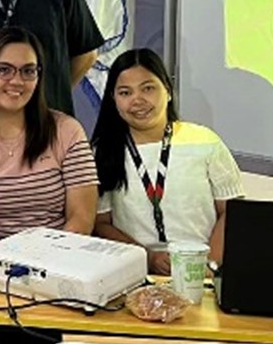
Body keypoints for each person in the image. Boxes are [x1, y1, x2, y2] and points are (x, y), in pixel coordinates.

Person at [0, 27, 98, 259]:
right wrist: (18, 269)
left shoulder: (67, 131)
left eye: (28, 71)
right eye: (4, 70)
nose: (17, 81)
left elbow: (81, 218)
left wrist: (49, 266)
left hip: (61, 262)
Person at [91, 49, 244, 275]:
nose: (137, 100)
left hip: (205, 272)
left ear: (168, 91)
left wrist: (208, 266)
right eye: (125, 92)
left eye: (148, 88)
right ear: (113, 99)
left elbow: (232, 211)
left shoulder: (205, 141)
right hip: (135, 273)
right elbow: (100, 224)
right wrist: (147, 258)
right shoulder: (103, 151)